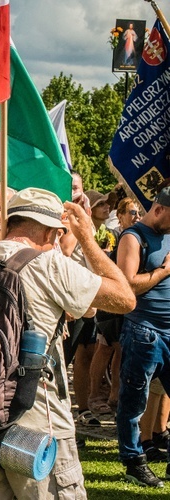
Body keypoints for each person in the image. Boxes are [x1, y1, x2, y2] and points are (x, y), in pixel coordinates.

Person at [0, 188, 134, 498]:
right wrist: (86, 238)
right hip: (38, 427)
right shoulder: (49, 265)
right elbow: (125, 298)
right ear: (51, 231)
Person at [116, 185, 170, 487]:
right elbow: (127, 286)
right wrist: (163, 272)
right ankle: (133, 461)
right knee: (133, 403)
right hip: (143, 331)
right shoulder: (132, 237)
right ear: (158, 209)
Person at [89, 197, 142, 417]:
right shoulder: (114, 235)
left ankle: (114, 394)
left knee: (119, 348)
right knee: (106, 347)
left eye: (138, 213)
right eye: (131, 212)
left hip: (126, 300)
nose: (136, 216)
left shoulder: (140, 236)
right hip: (109, 298)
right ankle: (94, 394)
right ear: (119, 216)